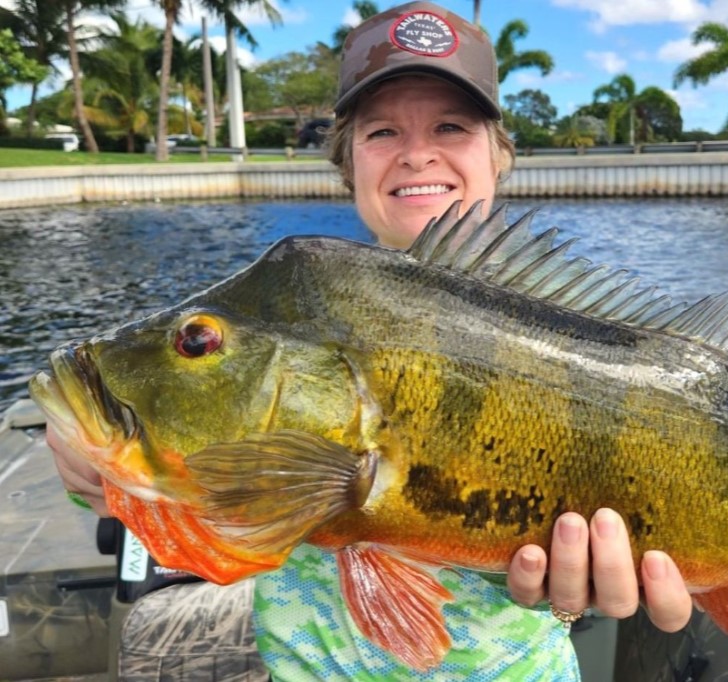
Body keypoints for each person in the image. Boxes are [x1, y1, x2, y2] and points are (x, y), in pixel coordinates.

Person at [49, 2, 692, 679]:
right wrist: (89, 471)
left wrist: (575, 594)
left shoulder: (566, 326)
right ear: (346, 161)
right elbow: (190, 474)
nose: (417, 153)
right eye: (382, 131)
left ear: (499, 155)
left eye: (451, 126)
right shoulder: (278, 308)